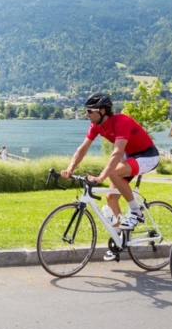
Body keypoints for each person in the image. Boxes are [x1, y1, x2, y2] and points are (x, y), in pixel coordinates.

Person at [61, 92, 160, 261]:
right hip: (131, 158)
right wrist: (70, 168)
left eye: (90, 111)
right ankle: (120, 240)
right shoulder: (96, 125)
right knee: (110, 198)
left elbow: (117, 152)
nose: (87, 114)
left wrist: (100, 178)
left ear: (102, 111)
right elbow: (83, 148)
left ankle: (136, 213)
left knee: (113, 171)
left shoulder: (122, 121)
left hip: (147, 156)